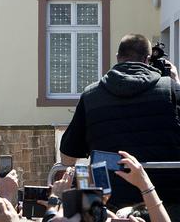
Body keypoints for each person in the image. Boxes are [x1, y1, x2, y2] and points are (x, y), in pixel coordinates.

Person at [60, 34, 180, 216]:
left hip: (109, 208)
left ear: (117, 57)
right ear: (148, 59)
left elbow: (67, 159)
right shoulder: (171, 90)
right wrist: (175, 83)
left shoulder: (91, 95)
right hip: (166, 207)